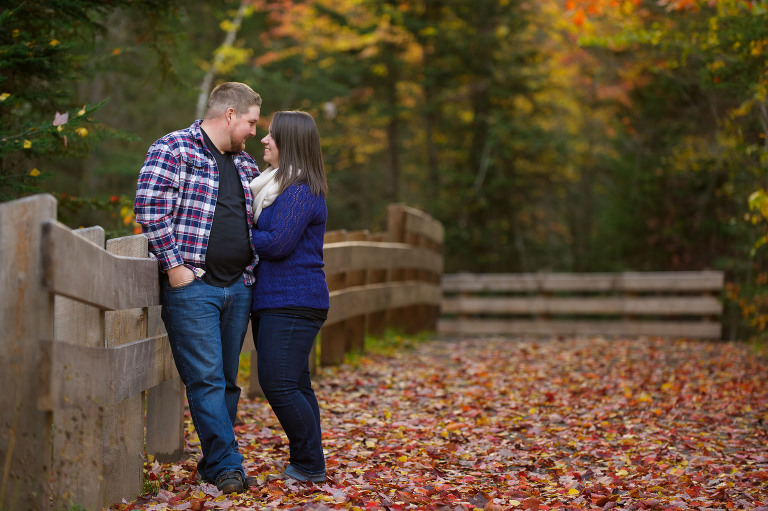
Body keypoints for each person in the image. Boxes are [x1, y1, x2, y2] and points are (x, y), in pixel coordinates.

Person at [134, 82, 261, 494]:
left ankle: (214, 464)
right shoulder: (173, 148)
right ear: (229, 115)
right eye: (251, 122)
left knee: (226, 380)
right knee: (205, 379)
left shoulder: (245, 166)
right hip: (194, 287)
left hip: (238, 286)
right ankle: (228, 466)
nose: (254, 132)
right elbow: (150, 207)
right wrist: (173, 267)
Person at [248, 110, 329, 483]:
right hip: (278, 300)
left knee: (277, 383)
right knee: (296, 384)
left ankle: (310, 464)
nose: (264, 140)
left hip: (294, 301)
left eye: (271, 136)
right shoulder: (277, 186)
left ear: (290, 143)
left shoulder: (300, 191)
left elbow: (278, 243)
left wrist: (237, 238)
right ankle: (308, 463)